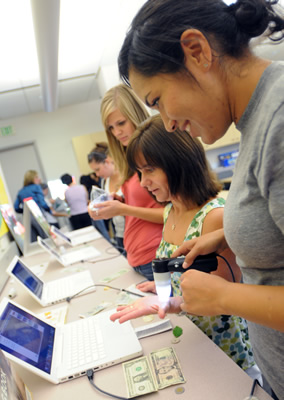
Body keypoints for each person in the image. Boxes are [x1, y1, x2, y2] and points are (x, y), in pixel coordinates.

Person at [116, 1, 284, 398]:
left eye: (157, 101)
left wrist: (225, 296)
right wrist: (227, 233)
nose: (168, 123)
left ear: (197, 51)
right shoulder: (257, 121)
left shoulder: (278, 120)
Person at [110, 114, 261, 381]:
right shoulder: (170, 211)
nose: (143, 183)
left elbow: (220, 300)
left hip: (227, 354)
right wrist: (164, 287)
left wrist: (168, 302)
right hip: (193, 340)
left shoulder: (213, 217)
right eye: (139, 173)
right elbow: (186, 274)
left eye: (149, 170)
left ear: (178, 163)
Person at [89, 83, 164, 280]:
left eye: (121, 123)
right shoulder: (130, 157)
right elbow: (148, 202)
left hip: (157, 256)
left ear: (135, 115)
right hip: (138, 259)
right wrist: (121, 203)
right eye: (111, 128)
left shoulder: (156, 151)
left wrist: (123, 209)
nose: (117, 133)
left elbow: (175, 213)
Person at [88, 142, 125, 253]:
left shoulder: (126, 176)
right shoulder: (105, 181)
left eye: (97, 169)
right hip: (119, 233)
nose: (97, 174)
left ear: (107, 162)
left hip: (136, 232)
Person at [14, 170, 51, 241]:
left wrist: (25, 211)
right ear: (32, 178)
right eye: (37, 177)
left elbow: (16, 208)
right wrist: (50, 210)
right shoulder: (37, 187)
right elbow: (42, 203)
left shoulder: (21, 191)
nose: (39, 179)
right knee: (46, 237)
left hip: (27, 218)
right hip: (38, 215)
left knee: (34, 240)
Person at [79, 173, 111, 243]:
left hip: (98, 211)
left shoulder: (93, 189)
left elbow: (96, 201)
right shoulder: (94, 187)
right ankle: (107, 242)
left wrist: (89, 202)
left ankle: (108, 243)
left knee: (102, 229)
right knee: (103, 229)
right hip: (99, 210)